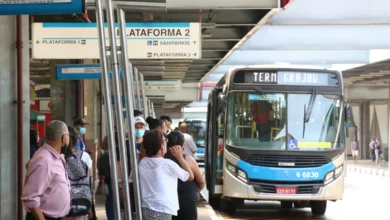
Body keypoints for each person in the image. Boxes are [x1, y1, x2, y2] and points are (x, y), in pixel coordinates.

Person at [139, 130, 194, 219]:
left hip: (145, 208)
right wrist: (180, 157)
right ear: (161, 147)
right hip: (163, 209)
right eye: (165, 141)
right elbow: (190, 176)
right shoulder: (167, 164)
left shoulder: (142, 163)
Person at [22, 120, 71, 220]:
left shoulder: (54, 157)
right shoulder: (44, 160)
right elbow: (30, 197)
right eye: (68, 135)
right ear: (64, 138)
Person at [165, 131, 205, 220]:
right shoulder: (188, 159)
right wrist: (195, 192)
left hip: (168, 201)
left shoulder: (161, 159)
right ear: (183, 145)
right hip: (188, 199)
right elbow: (201, 182)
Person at [64, 126, 93, 220]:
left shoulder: (58, 157)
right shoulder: (85, 156)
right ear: (77, 141)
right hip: (81, 203)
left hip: (62, 203)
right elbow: (90, 180)